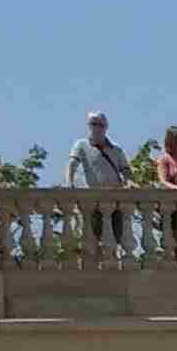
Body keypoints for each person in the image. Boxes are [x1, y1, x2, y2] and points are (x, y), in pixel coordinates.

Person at [66, 107, 129, 259]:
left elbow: (126, 170)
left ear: (106, 127)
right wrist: (69, 181)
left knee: (115, 237)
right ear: (89, 126)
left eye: (101, 125)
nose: (97, 128)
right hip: (94, 199)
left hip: (115, 200)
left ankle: (112, 263)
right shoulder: (81, 145)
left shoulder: (116, 149)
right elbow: (72, 163)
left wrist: (129, 182)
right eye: (94, 124)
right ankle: (96, 264)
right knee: (93, 236)